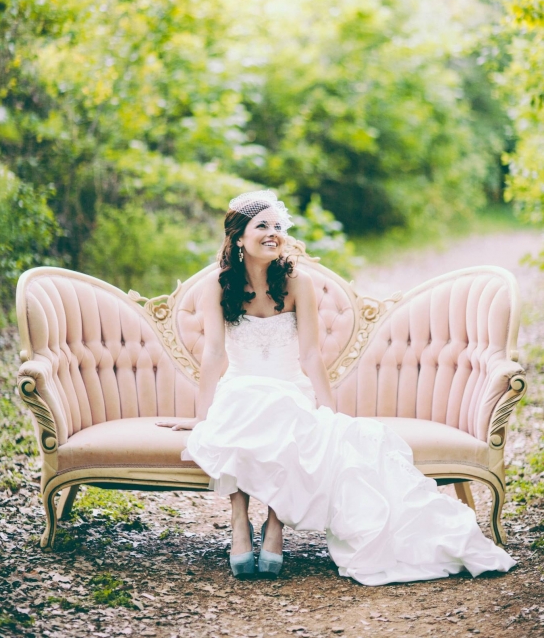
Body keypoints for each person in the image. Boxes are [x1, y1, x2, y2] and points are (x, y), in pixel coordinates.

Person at [157, 190, 515, 584]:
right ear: (239, 237)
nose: (273, 233)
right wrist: (202, 417)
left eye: (279, 226)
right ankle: (239, 519)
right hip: (239, 385)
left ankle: (275, 526)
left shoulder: (297, 282)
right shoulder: (217, 285)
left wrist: (328, 412)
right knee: (241, 406)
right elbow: (214, 355)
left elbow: (311, 356)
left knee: (288, 419)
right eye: (263, 226)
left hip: (289, 387)